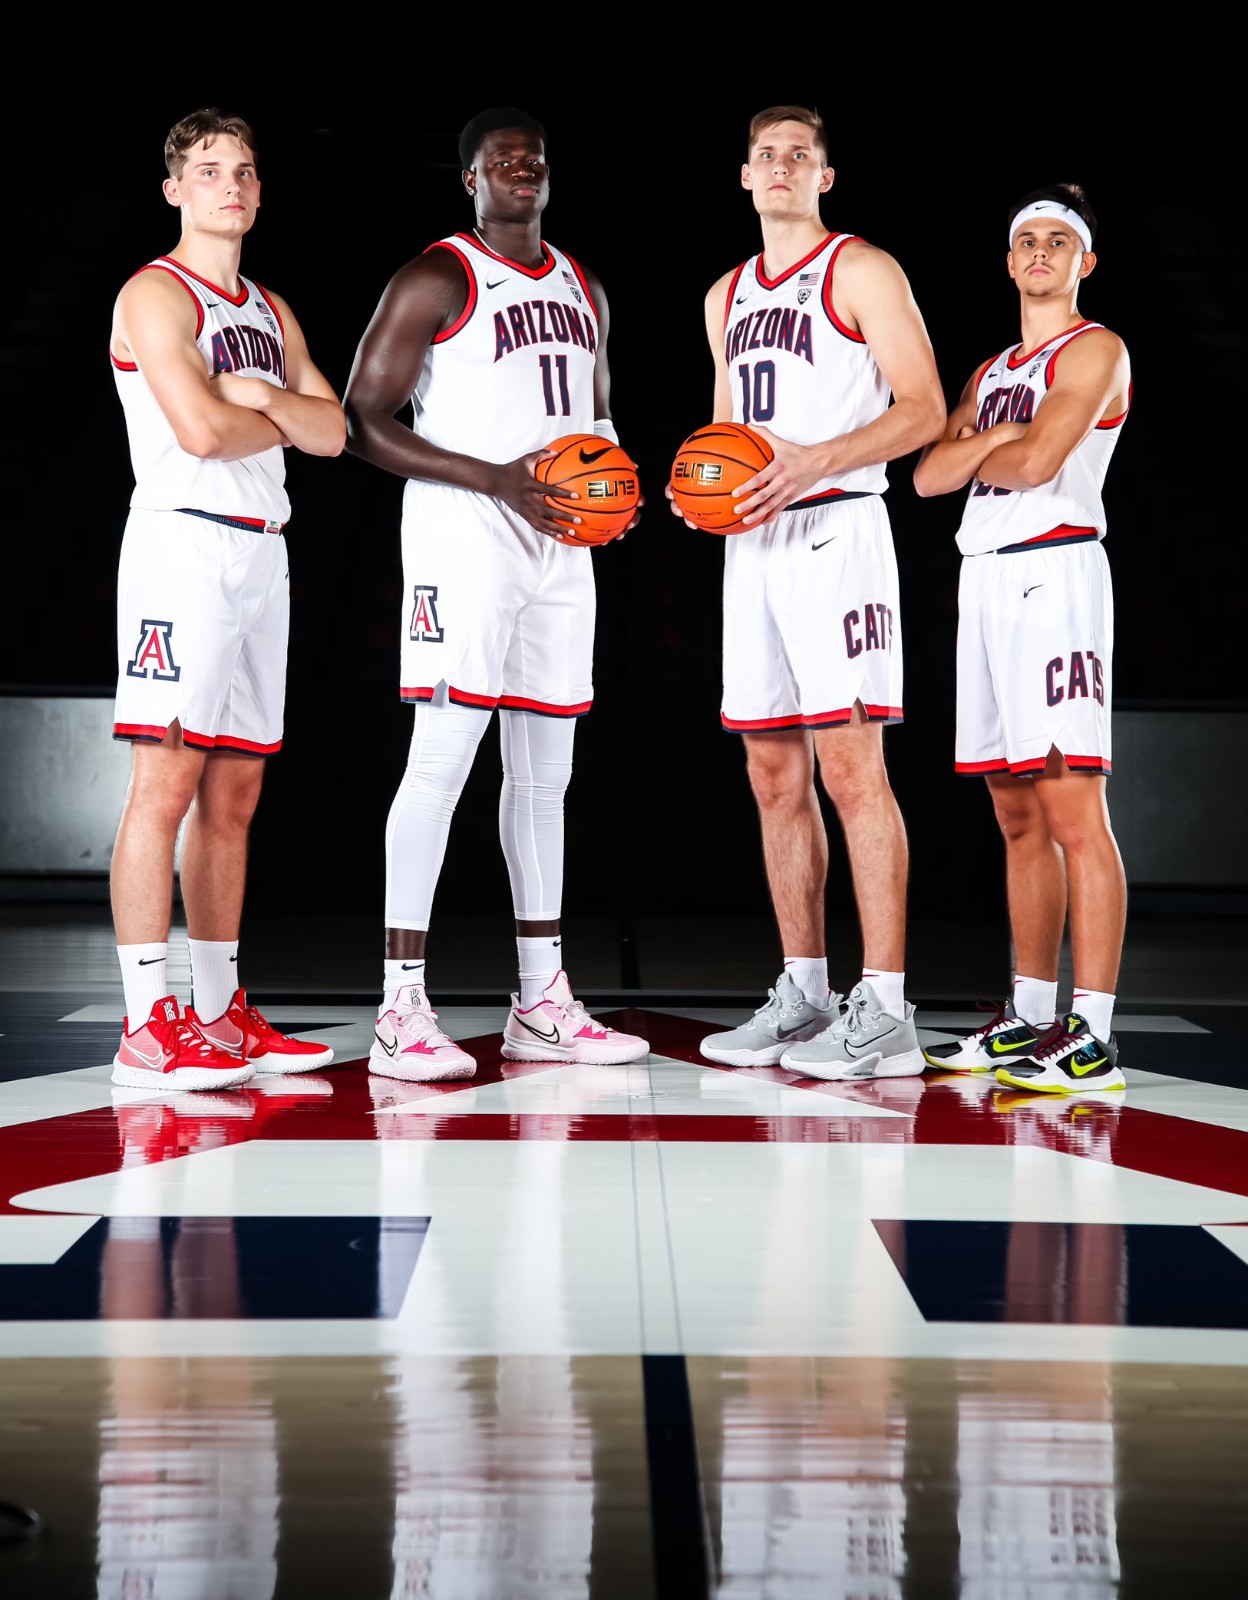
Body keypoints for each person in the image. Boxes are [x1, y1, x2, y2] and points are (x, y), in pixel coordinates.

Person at [341, 105, 649, 1082]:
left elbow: (598, 418)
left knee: (546, 775)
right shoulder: (438, 276)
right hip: (465, 535)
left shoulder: (584, 286)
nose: (522, 169)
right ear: (470, 179)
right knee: (440, 761)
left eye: (535, 159)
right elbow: (361, 420)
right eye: (502, 160)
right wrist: (496, 480)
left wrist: (615, 494)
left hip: (559, 546)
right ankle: (399, 1008)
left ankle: (541, 1003)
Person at [673, 104, 945, 1081]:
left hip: (837, 531)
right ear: (745, 177)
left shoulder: (861, 270)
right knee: (773, 775)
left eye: (800, 154)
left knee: (853, 773)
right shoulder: (725, 295)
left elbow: (925, 408)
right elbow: (724, 435)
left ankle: (888, 1010)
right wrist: (700, 493)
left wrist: (813, 461)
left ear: (825, 177)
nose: (781, 165)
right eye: (766, 154)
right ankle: (805, 993)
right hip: (756, 547)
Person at [108, 108, 346, 1091]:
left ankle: (217, 1013)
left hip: (261, 552)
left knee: (235, 793)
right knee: (164, 784)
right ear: (174, 189)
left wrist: (261, 401)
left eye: (243, 170)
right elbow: (200, 436)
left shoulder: (270, 309)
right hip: (183, 547)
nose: (231, 185)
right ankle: (144, 1025)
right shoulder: (153, 294)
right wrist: (271, 413)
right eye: (209, 170)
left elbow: (334, 432)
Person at [913, 183, 1130, 1095]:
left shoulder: (1098, 349)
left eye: (1058, 241)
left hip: (1057, 572)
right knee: (1015, 814)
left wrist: (988, 444)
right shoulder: (992, 368)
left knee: (1074, 810)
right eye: (1027, 240)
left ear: (1085, 261)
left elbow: (1041, 463)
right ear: (1009, 262)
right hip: (987, 577)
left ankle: (1094, 1032)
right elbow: (928, 476)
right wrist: (1000, 432)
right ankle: (1030, 1014)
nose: (1040, 251)